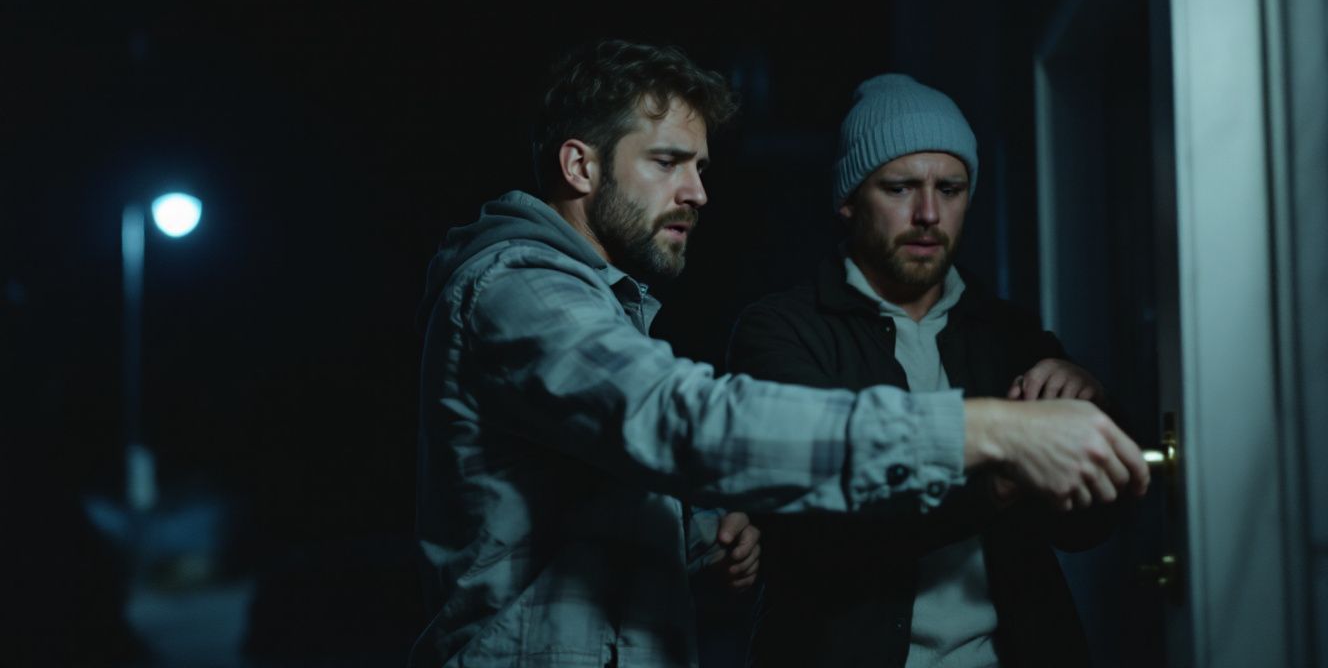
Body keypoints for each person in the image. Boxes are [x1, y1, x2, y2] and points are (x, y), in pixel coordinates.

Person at [411, 43, 1148, 667]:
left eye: (701, 168)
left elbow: (574, 501)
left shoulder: (602, 303)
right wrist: (993, 432)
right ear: (580, 166)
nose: (698, 192)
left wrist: (701, 536)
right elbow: (685, 423)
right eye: (668, 162)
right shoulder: (521, 290)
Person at [728, 73, 1129, 667]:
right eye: (900, 188)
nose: (928, 213)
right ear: (848, 200)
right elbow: (822, 529)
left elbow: (1083, 531)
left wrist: (1092, 410)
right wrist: (1000, 476)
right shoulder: (780, 330)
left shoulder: (1011, 334)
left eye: (951, 188)